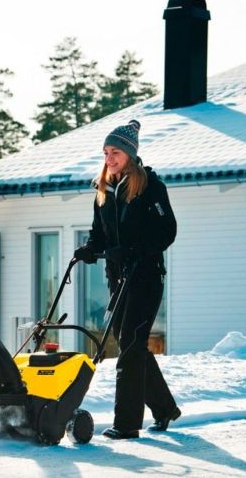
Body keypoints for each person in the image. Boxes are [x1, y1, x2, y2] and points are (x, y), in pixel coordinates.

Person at [73, 119, 181, 440]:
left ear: (130, 154)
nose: (109, 158)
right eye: (106, 152)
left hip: (145, 277)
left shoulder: (150, 187)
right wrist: (90, 250)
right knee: (130, 344)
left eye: (115, 152)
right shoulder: (103, 188)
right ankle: (164, 409)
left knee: (131, 347)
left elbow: (167, 231)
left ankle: (127, 423)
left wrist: (133, 250)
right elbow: (99, 234)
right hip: (118, 278)